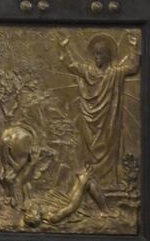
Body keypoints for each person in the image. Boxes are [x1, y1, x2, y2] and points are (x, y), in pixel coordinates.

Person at [57, 34, 140, 187]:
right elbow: (71, 65)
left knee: (109, 149)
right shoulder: (88, 71)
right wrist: (64, 48)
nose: (97, 57)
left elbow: (133, 67)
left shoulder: (115, 73)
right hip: (89, 121)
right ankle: (90, 185)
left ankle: (109, 184)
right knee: (89, 153)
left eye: (100, 53)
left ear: (108, 55)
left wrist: (134, 47)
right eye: (95, 53)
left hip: (109, 122)